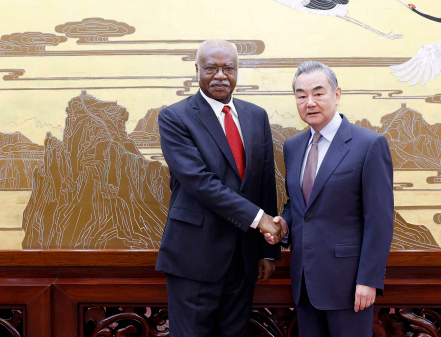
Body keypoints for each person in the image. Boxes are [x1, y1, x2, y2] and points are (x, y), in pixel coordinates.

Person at [156, 39, 285, 336]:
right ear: (197, 70)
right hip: (193, 258)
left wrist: (268, 251)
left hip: (244, 259)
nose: (220, 75)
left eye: (228, 68)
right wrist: (259, 218)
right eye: (211, 68)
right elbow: (200, 182)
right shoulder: (175, 117)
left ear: (237, 71)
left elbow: (265, 183)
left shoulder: (256, 116)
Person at [267, 61, 394, 337]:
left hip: (349, 285)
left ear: (337, 95)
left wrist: (368, 281)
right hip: (304, 281)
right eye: (301, 96)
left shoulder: (369, 145)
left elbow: (380, 219)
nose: (309, 102)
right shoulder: (293, 146)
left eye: (318, 93)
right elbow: (299, 204)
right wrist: (284, 223)